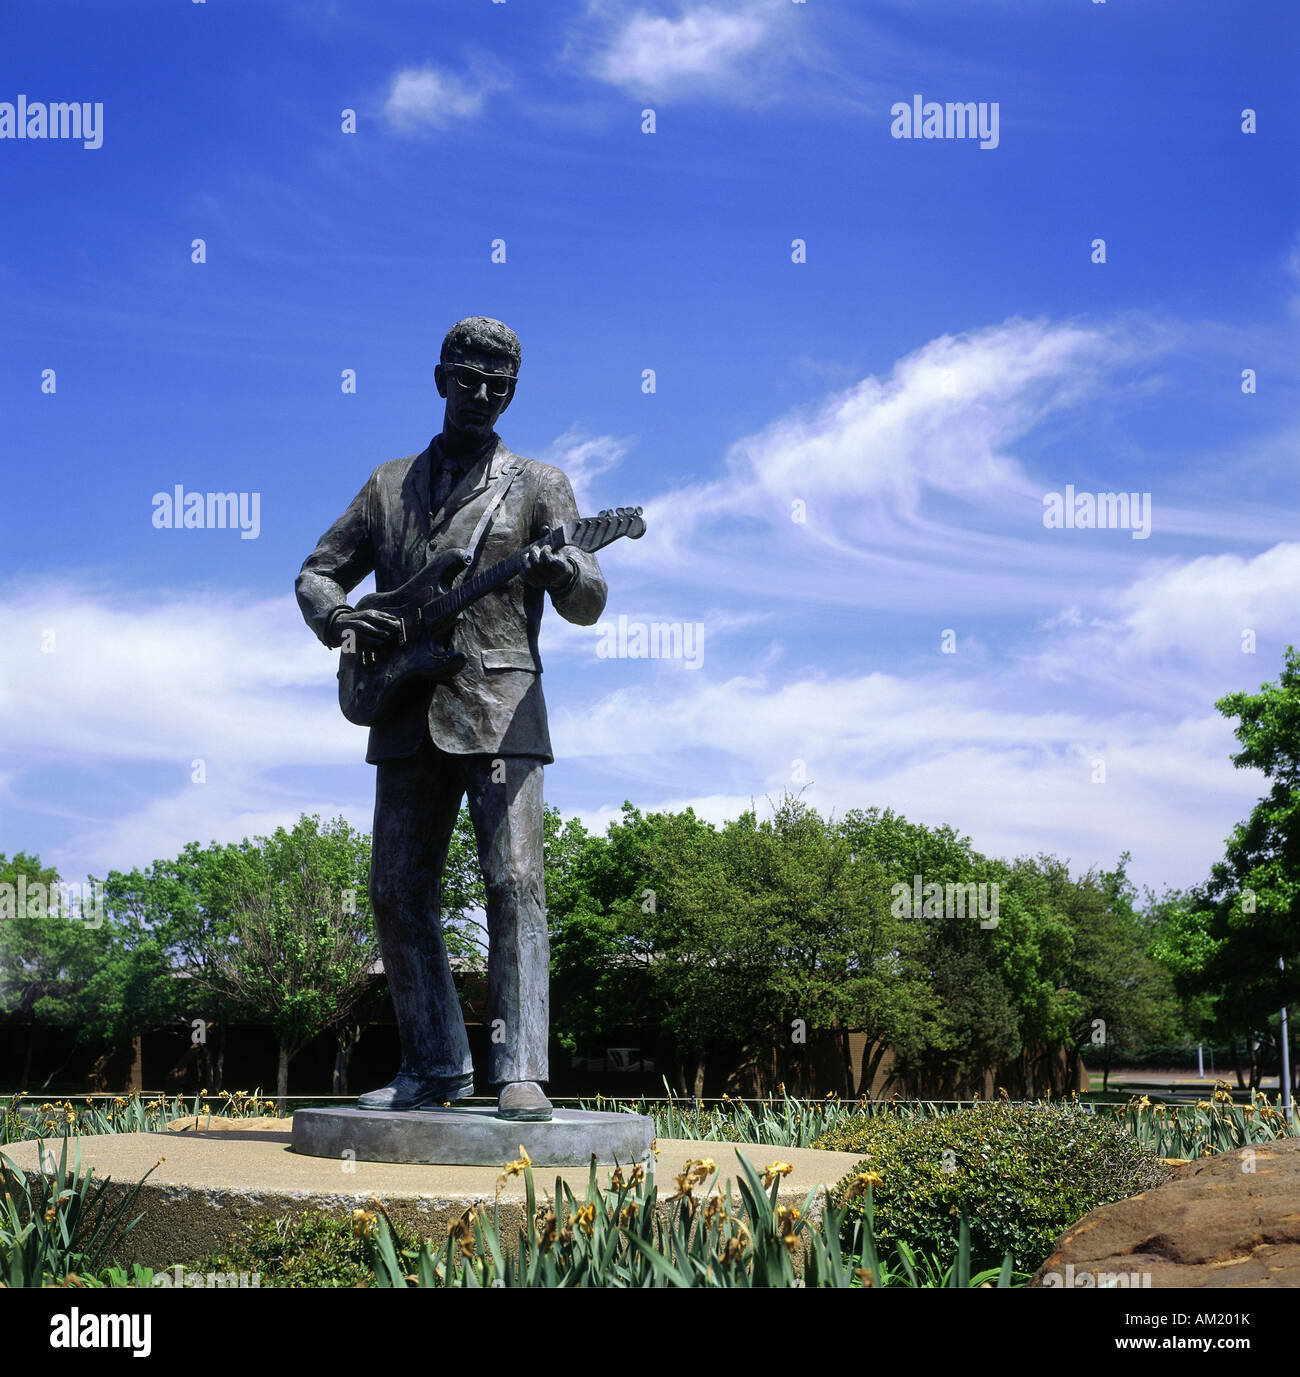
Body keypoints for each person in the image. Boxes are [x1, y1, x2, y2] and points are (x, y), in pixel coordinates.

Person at [295, 316, 606, 1120]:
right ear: (440, 380)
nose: (482, 396)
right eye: (468, 381)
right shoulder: (386, 485)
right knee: (397, 891)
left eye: (498, 387)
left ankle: (519, 1068)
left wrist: (570, 566)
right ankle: (434, 1064)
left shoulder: (540, 484)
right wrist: (339, 621)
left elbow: (590, 599)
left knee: (516, 884)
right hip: (401, 706)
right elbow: (318, 572)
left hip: (503, 711)